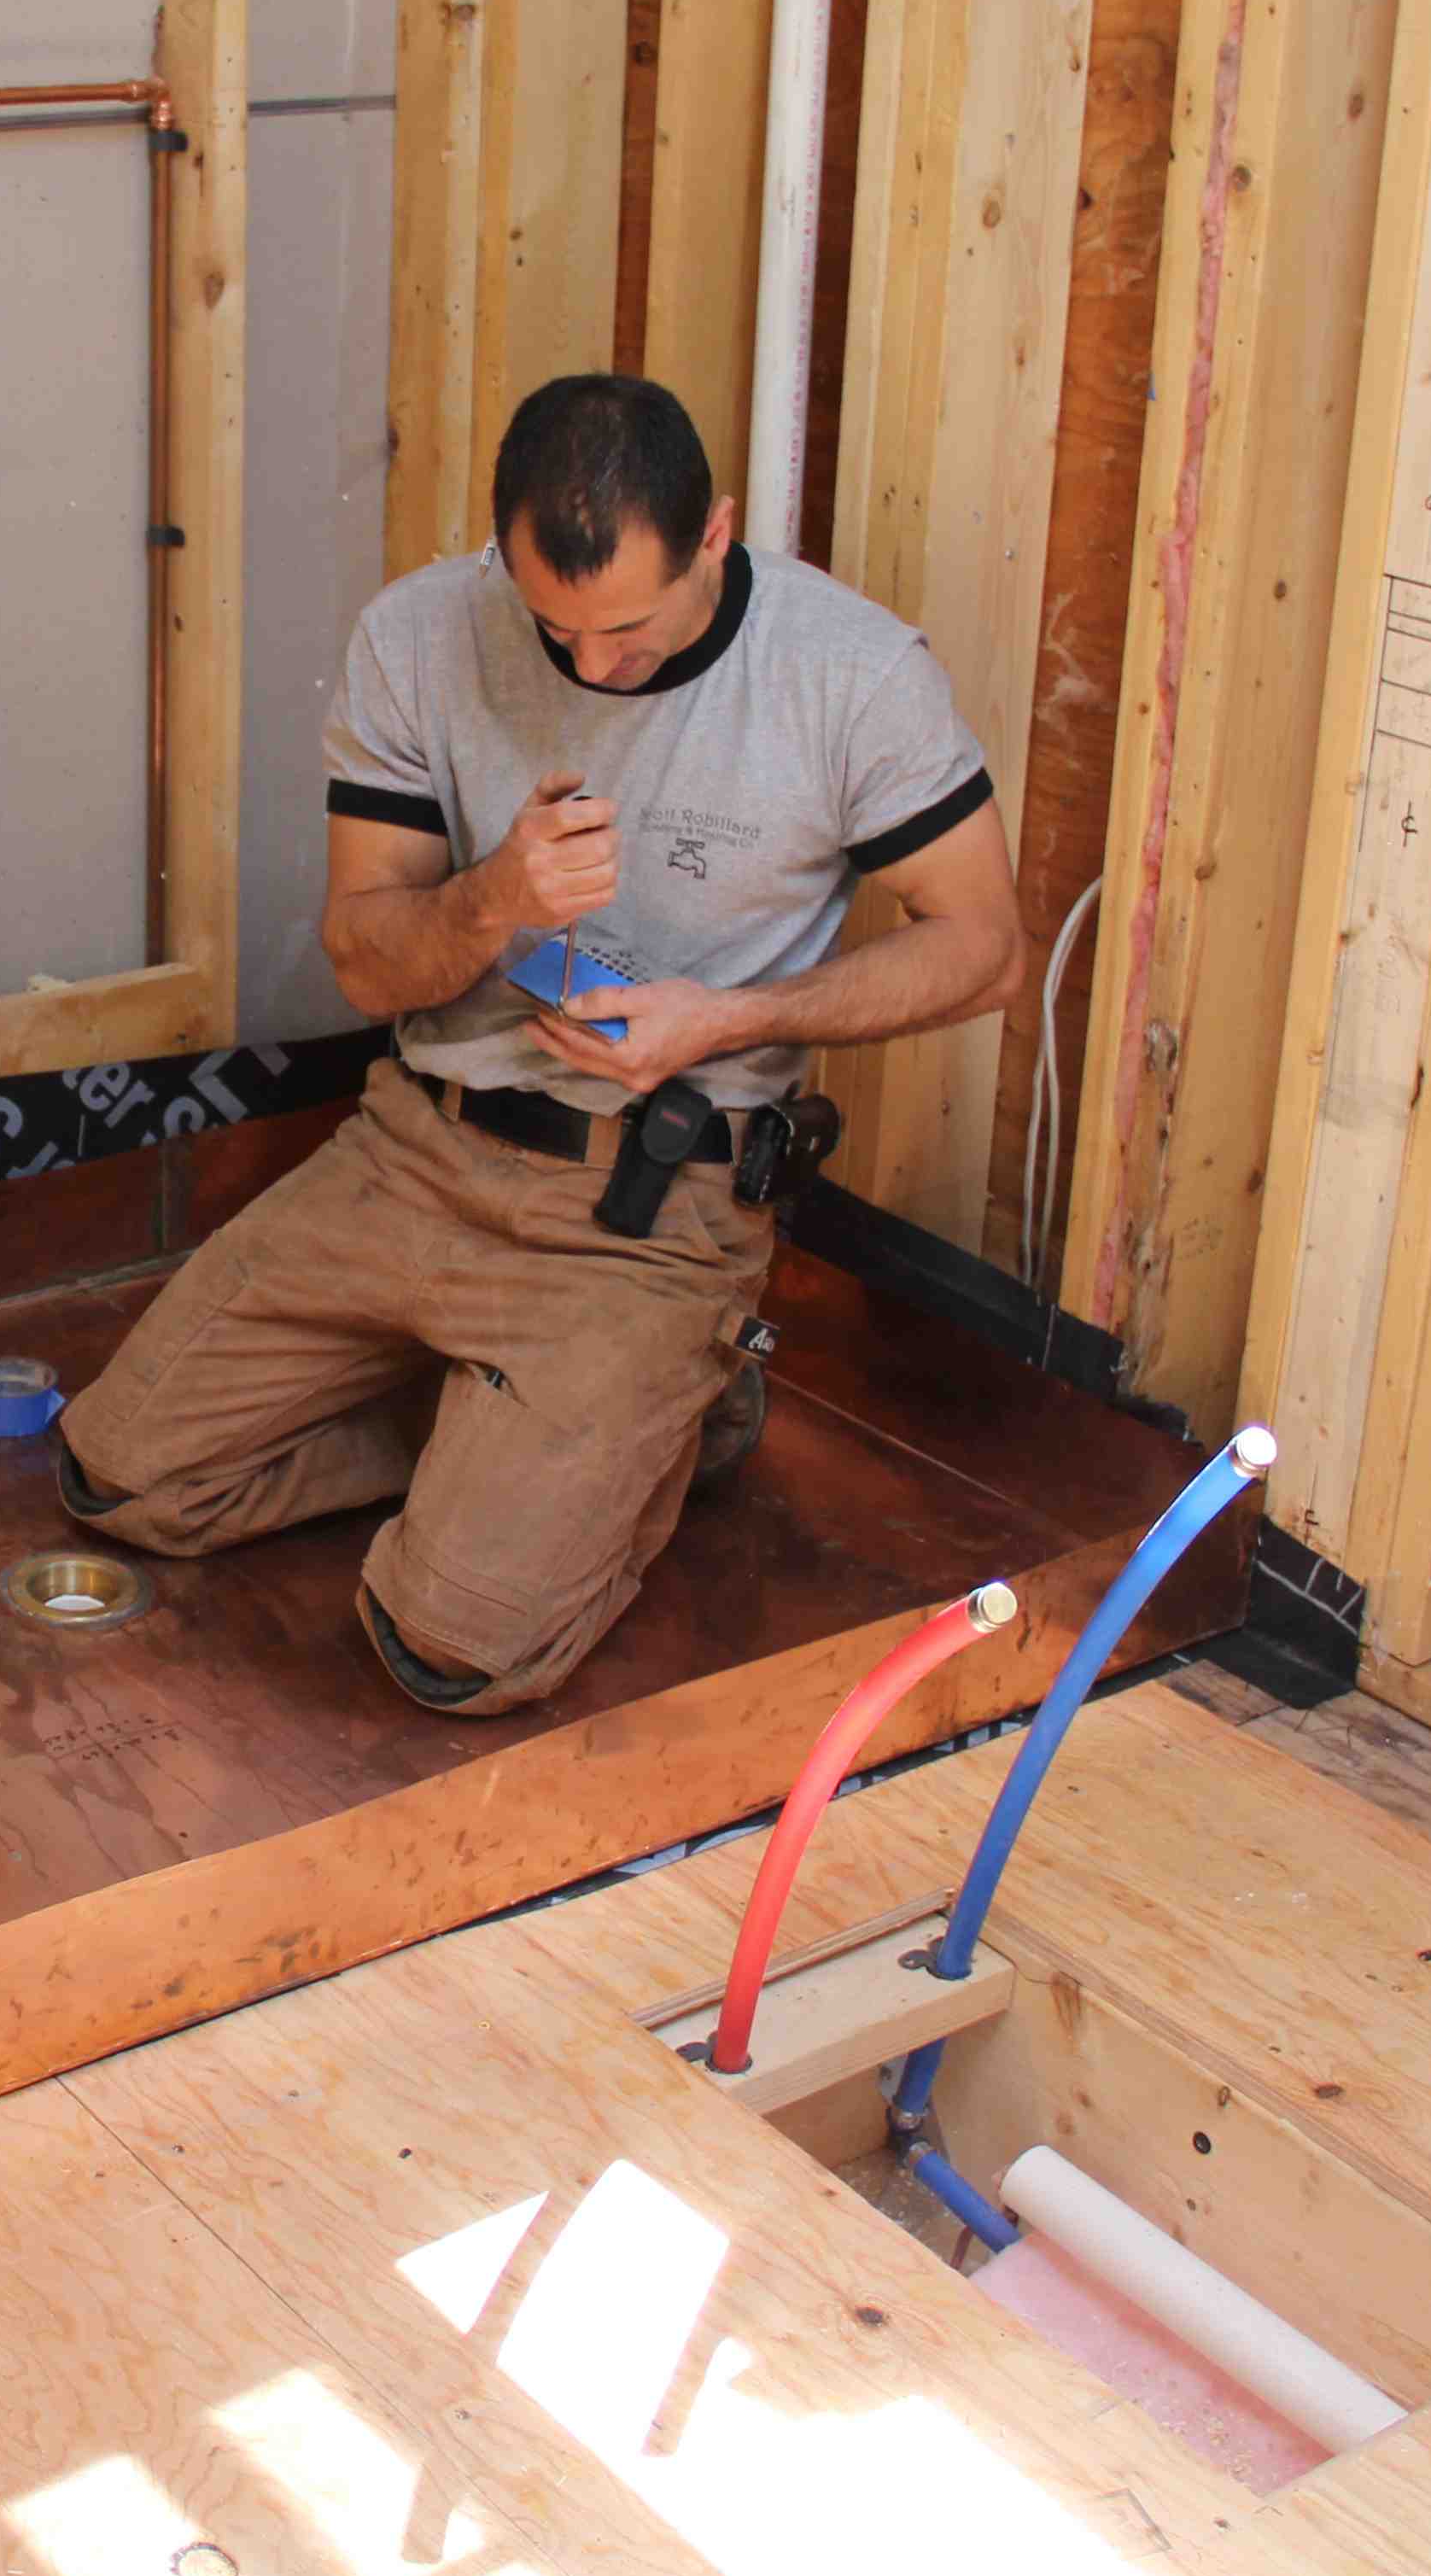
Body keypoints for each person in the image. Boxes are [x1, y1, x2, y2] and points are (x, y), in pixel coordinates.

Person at [53, 374, 1024, 1713]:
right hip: (420, 1150)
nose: (587, 668)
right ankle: (521, 1427)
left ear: (716, 537)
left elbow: (983, 947)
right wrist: (496, 897)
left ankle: (663, 1409)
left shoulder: (852, 677)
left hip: (650, 1201)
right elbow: (361, 952)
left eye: (626, 630)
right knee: (119, 1475)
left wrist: (727, 1018)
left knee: (446, 1650)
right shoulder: (421, 629)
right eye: (549, 627)